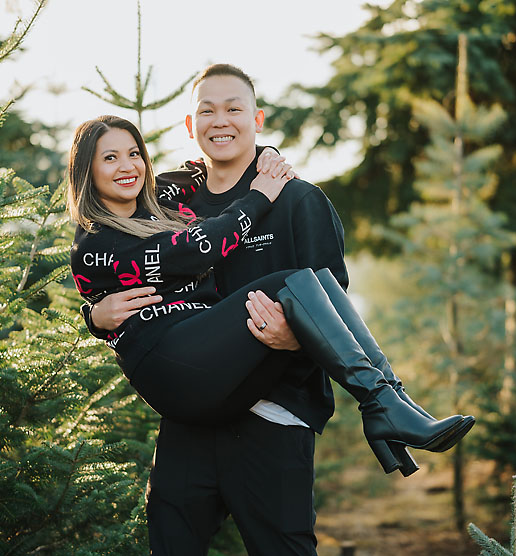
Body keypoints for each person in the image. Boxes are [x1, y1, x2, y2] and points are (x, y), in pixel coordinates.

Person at [71, 110, 472, 555]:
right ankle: (382, 404)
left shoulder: (159, 197)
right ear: (87, 171)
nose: (127, 166)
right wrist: (94, 317)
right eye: (110, 158)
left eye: (134, 154)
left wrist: (268, 157)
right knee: (288, 282)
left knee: (311, 280)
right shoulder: (95, 245)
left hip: (207, 362)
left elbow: (209, 165)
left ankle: (388, 400)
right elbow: (202, 248)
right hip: (169, 362)